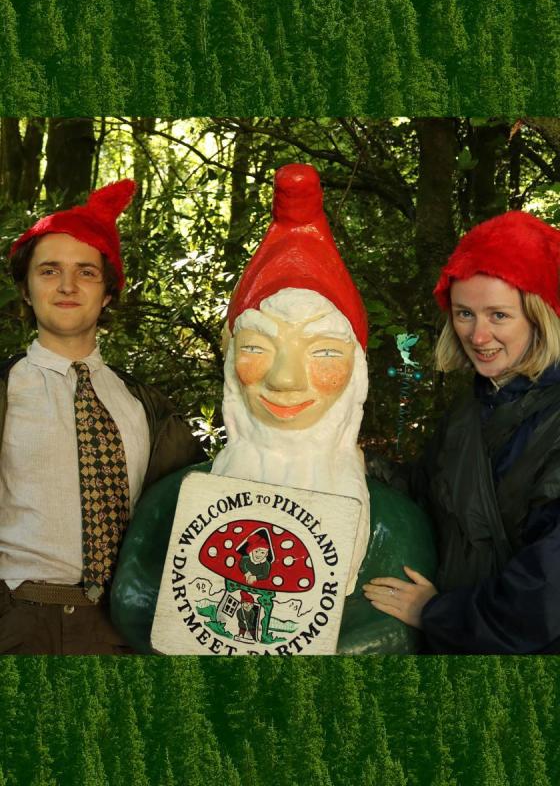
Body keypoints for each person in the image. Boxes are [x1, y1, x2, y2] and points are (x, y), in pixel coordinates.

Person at [111, 163, 436, 654]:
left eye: (323, 353)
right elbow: (133, 601)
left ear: (357, 372)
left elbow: (396, 634)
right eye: (258, 348)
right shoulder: (175, 497)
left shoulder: (395, 521)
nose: (284, 380)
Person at [0, 180, 204, 654]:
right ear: (26, 290)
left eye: (86, 273)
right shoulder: (7, 391)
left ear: (108, 292)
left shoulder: (146, 406)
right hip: (19, 622)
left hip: (126, 626)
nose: (67, 286)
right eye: (49, 271)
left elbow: (194, 501)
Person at [364, 211, 560, 654]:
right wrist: (360, 465)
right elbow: (430, 490)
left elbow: (547, 591)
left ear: (539, 316)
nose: (478, 334)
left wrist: (435, 614)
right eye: (464, 313)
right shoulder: (473, 406)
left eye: (499, 315)